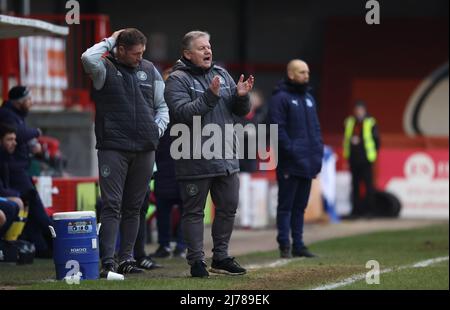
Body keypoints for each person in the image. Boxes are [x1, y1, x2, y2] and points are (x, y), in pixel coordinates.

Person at [164, 30, 254, 277]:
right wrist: (210, 96)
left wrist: (241, 97)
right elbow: (183, 114)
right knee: (194, 211)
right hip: (194, 157)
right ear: (187, 53)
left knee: (228, 208)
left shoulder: (221, 73)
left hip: (225, 156)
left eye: (209, 46)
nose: (208, 51)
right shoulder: (176, 80)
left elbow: (238, 111)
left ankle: (221, 257)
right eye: (202, 47)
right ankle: (196, 262)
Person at [81, 28, 169, 277]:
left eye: (143, 52)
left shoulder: (150, 70)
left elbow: (162, 107)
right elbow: (87, 58)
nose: (140, 58)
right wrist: (109, 40)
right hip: (113, 148)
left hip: (145, 148)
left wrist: (156, 130)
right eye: (135, 53)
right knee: (112, 205)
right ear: (119, 50)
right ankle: (108, 261)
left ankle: (127, 259)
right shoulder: (103, 68)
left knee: (135, 206)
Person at [269, 59, 323, 259]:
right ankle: (284, 244)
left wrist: (317, 152)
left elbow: (316, 129)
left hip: (308, 162)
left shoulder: (309, 98)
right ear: (291, 74)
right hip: (289, 163)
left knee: (300, 207)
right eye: (302, 72)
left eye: (307, 72)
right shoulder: (280, 98)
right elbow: (277, 128)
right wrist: (291, 150)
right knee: (286, 206)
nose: (306, 76)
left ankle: (299, 244)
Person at [0, 87, 52, 257]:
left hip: (20, 169)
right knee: (37, 211)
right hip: (17, 172)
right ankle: (53, 242)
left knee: (30, 213)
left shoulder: (17, 116)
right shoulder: (8, 115)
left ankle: (41, 246)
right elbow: (20, 134)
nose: (31, 103)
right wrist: (36, 132)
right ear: (20, 101)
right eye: (29, 99)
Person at [343, 100, 380, 219]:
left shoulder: (370, 122)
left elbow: (376, 140)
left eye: (360, 109)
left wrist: (372, 153)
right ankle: (356, 210)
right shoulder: (349, 122)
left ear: (364, 110)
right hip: (353, 159)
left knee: (368, 185)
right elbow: (346, 138)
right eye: (357, 109)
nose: (358, 112)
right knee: (355, 185)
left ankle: (370, 210)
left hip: (366, 159)